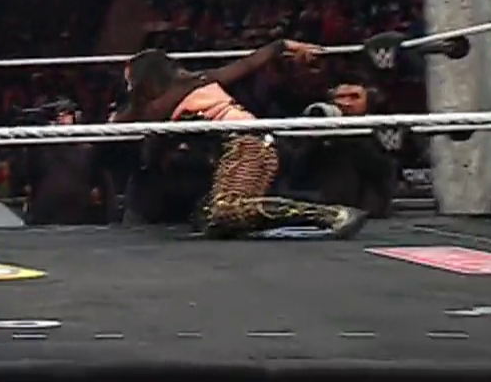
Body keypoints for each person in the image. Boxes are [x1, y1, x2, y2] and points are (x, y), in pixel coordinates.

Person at [115, 41, 366, 238]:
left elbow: (127, 123)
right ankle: (323, 215)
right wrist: (283, 45)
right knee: (211, 217)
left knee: (226, 210)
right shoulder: (200, 79)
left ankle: (330, 214)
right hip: (250, 144)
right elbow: (247, 64)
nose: (129, 89)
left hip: (245, 144)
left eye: (131, 83)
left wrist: (124, 110)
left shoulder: (162, 102)